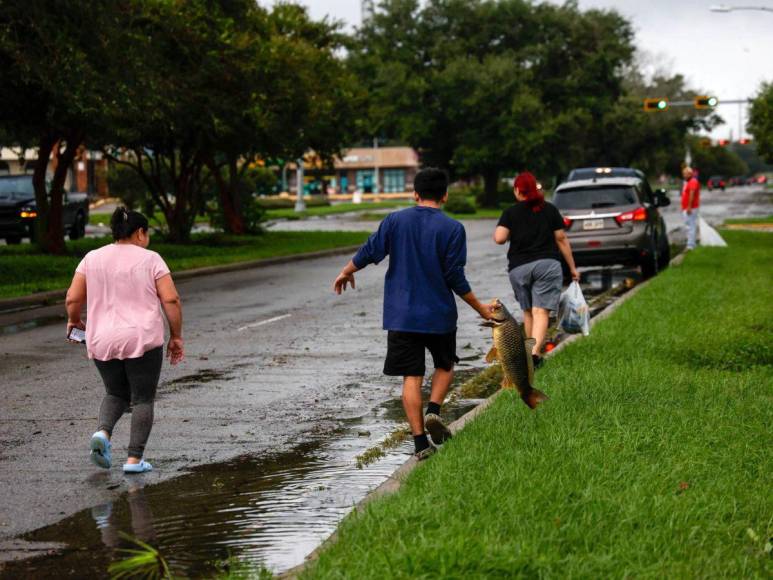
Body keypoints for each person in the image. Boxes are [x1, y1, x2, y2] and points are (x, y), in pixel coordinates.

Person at [332, 168, 492, 460]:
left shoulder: (395, 221)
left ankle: (420, 444)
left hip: (402, 316)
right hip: (439, 315)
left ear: (415, 194)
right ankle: (434, 410)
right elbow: (455, 278)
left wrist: (345, 271)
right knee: (445, 365)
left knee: (411, 376)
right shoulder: (453, 228)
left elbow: (369, 251)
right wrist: (481, 309)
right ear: (444, 195)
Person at [65, 207, 184, 474]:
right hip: (141, 338)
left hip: (102, 338)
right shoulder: (151, 259)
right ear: (140, 233)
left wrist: (74, 321)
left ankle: (103, 434)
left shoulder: (91, 258)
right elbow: (171, 299)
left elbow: (73, 298)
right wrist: (176, 336)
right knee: (142, 398)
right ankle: (134, 460)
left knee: (115, 392)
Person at [494, 171, 579, 368]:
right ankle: (534, 353)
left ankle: (532, 353)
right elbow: (561, 239)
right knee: (541, 311)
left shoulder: (510, 213)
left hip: (519, 269)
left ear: (517, 191)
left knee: (528, 312)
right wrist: (573, 268)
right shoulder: (549, 209)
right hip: (547, 265)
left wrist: (511, 230)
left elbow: (499, 238)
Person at [681, 166, 700, 250]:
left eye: (685, 174)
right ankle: (692, 243)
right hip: (688, 208)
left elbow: (691, 194)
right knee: (689, 225)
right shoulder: (689, 182)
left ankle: (690, 245)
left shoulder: (692, 182)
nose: (684, 176)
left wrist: (689, 207)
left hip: (691, 208)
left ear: (689, 174)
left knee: (690, 226)